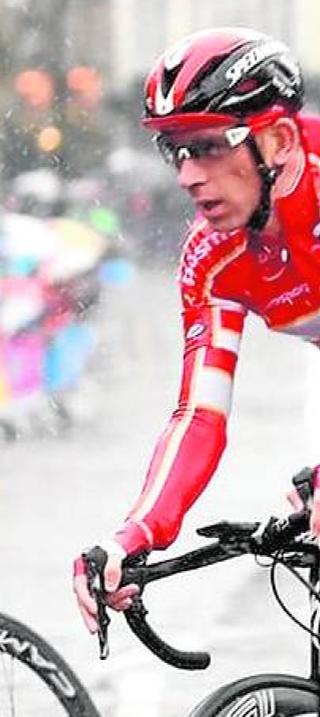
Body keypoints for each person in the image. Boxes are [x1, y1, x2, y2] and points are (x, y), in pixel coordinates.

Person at [74, 28, 320, 627]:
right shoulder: (212, 260)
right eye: (176, 151)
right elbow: (199, 415)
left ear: (279, 139)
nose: (187, 175)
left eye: (209, 145)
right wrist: (136, 533)